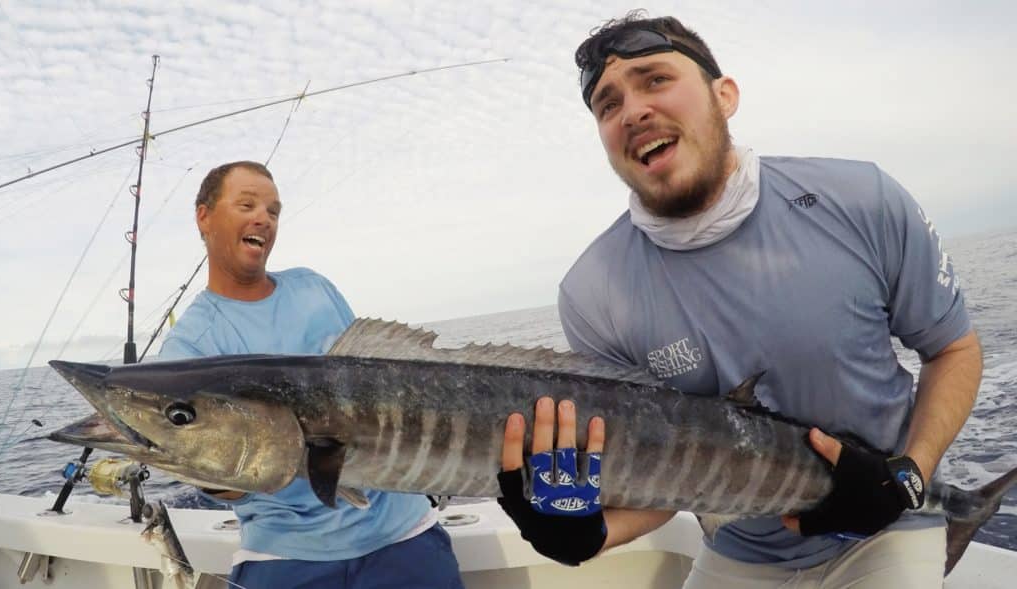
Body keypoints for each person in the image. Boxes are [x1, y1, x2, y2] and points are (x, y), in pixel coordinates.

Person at [496, 11, 983, 587]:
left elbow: (952, 349)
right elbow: (668, 473)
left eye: (655, 79)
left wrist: (911, 475)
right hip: (739, 549)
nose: (632, 111)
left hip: (887, 530)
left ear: (724, 95)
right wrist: (591, 534)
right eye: (608, 104)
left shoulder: (861, 198)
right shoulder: (590, 293)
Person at [158, 161, 463, 588]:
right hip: (286, 550)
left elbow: (373, 383)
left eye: (274, 210)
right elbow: (231, 486)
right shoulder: (188, 348)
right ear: (203, 216)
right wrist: (209, 471)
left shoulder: (313, 288)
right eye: (246, 204)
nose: (263, 218)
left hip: (401, 531)